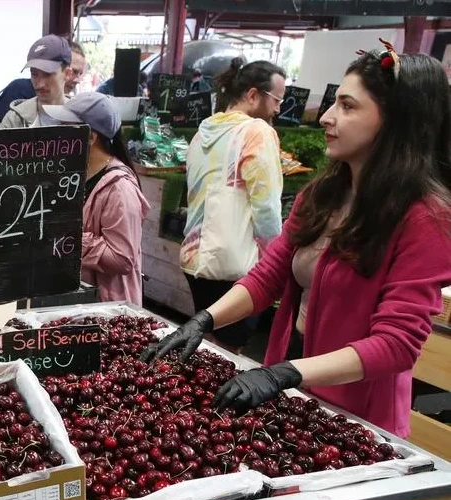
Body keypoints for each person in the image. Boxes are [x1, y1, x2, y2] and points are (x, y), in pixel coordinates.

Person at [142, 42, 451, 439]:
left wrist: (285, 373)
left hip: (359, 421)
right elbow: (268, 275)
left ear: (395, 122)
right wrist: (204, 320)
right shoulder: (323, 195)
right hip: (300, 396)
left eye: (348, 106)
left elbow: (397, 344)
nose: (326, 116)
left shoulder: (425, 219)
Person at [180, 58, 286, 353]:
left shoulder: (202, 132)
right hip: (233, 264)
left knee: (209, 342)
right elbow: (266, 208)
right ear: (253, 96)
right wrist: (274, 258)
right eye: (277, 100)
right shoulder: (257, 132)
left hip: (194, 259)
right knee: (228, 352)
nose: (278, 109)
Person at [43, 92, 150, 305]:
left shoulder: (120, 189)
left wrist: (68, 237)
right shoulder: (76, 176)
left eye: (66, 128)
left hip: (107, 309)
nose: (58, 136)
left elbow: (122, 258)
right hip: (78, 301)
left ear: (91, 137)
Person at [1, 35, 71, 128]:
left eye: (47, 74)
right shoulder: (14, 120)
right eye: (34, 73)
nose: (40, 84)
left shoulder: (84, 118)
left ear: (67, 74)